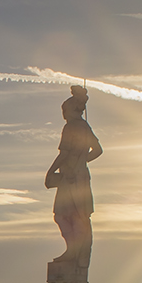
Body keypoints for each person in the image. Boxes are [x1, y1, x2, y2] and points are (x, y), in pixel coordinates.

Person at [45, 86, 103, 262]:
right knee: (76, 215)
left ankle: (73, 250)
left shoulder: (70, 127)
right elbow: (98, 150)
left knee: (64, 215)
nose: (64, 115)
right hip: (81, 175)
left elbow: (63, 153)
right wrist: (82, 162)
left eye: (64, 111)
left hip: (70, 177)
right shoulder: (84, 126)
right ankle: (74, 251)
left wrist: (51, 171)